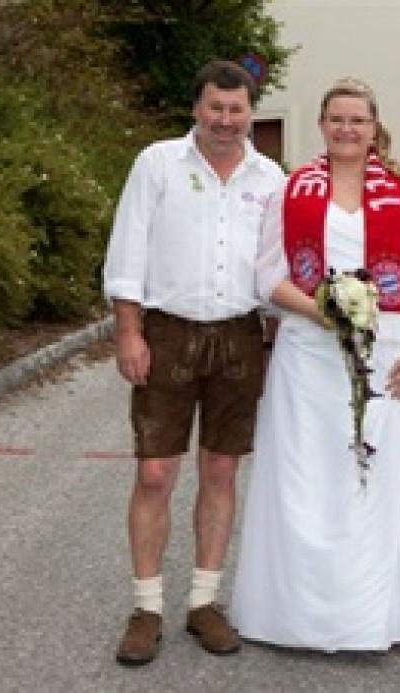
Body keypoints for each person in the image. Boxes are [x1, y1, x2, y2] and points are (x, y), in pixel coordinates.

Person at [230, 77, 400, 651]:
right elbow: (267, 277)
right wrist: (325, 312)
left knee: (383, 479)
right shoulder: (292, 189)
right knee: (311, 477)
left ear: (375, 127)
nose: (348, 129)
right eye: (337, 119)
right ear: (322, 126)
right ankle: (302, 616)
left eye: (359, 120)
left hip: (391, 349)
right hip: (310, 353)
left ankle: (386, 615)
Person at [103, 59, 285, 666]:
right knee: (156, 471)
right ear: (196, 109)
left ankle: (204, 601)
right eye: (216, 108)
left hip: (239, 334)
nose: (226, 120)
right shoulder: (157, 164)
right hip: (169, 333)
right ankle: (147, 607)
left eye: (237, 110)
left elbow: (277, 268)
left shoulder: (270, 177)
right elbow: (127, 250)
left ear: (250, 113)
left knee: (221, 470)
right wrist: (130, 332)